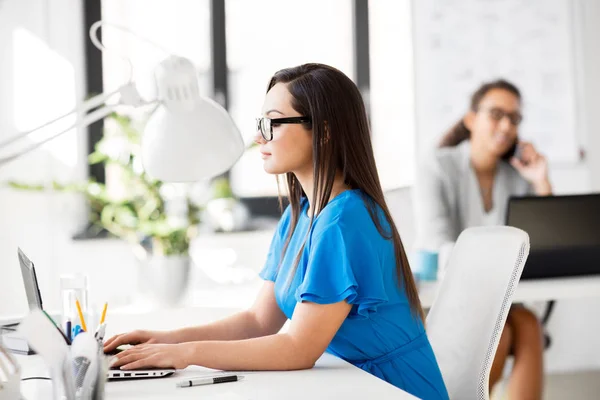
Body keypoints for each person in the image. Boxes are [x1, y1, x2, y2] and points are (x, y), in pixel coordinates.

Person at [104, 63, 449, 399]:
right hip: (349, 384)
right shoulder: (299, 216)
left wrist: (189, 353)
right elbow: (258, 322)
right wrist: (167, 341)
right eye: (260, 123)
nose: (258, 137)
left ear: (325, 131)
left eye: (273, 124)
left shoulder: (345, 222)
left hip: (392, 388)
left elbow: (298, 349)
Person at [414, 79, 550, 399]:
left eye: (514, 118)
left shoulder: (516, 176)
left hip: (501, 296)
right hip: (450, 295)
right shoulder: (437, 164)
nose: (506, 125)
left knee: (529, 323)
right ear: (471, 119)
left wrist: (541, 180)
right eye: (496, 114)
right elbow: (436, 239)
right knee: (497, 332)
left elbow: (544, 246)